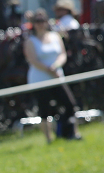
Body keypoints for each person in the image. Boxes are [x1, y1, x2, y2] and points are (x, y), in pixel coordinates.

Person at [24, 9, 80, 143]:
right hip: (40, 80)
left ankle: (72, 132)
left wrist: (56, 66)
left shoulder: (55, 36)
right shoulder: (30, 41)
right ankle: (49, 139)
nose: (41, 24)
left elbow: (62, 54)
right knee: (45, 110)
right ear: (34, 24)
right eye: (37, 21)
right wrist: (49, 69)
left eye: (43, 21)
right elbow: (33, 60)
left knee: (70, 104)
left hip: (57, 77)